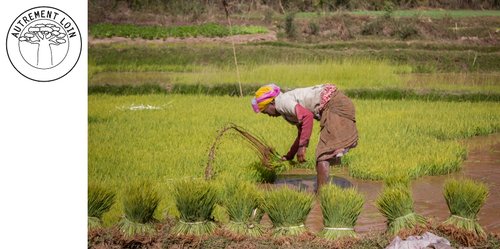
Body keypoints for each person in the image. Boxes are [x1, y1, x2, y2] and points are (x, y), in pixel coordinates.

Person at [251, 83, 358, 191]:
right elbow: (302, 131)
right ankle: (325, 191)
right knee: (324, 155)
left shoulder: (281, 103)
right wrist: (290, 155)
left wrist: (303, 146)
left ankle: (321, 196)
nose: (269, 115)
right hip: (336, 103)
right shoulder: (285, 106)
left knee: (322, 155)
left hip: (335, 105)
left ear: (272, 102)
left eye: (265, 111)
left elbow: (308, 116)